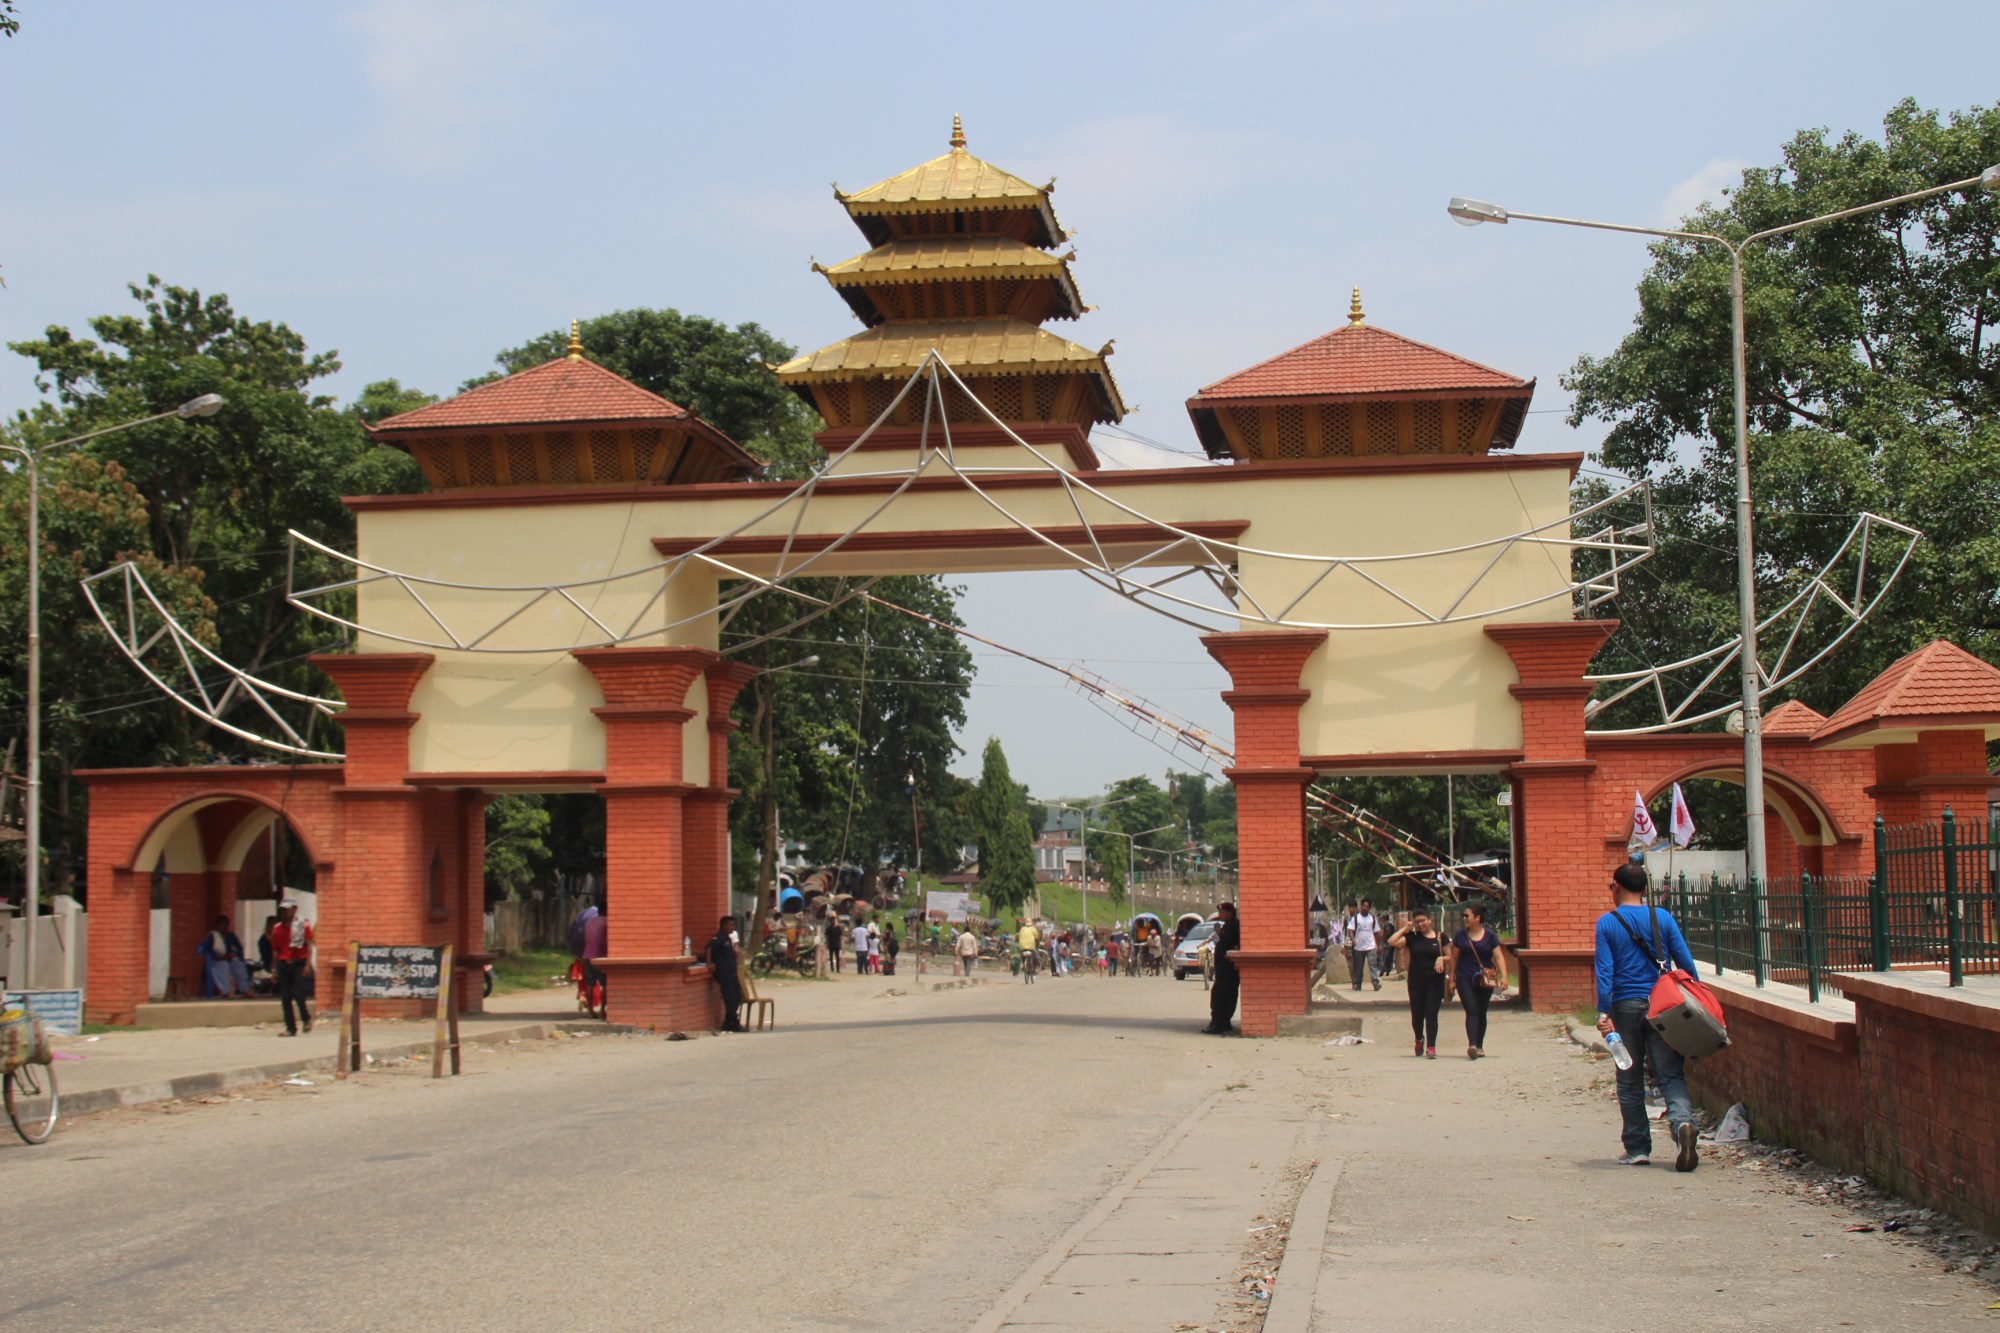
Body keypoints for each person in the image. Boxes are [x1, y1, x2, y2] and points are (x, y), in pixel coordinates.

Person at [1595, 862, 1701, 1170]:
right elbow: (1685, 962)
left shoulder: (1607, 923)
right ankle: (1682, 1124)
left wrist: (1603, 1010)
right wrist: (1694, 995)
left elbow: (1605, 970)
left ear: (1617, 887)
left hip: (1625, 1006)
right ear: (1644, 889)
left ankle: (1638, 1148)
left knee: (1629, 1079)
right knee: (1670, 1075)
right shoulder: (1662, 917)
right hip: (1663, 1006)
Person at [1445, 904, 1509, 1060]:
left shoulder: (1490, 936)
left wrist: (1504, 977)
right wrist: (1452, 979)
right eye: (1464, 916)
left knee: (1481, 1011)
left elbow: (1498, 956)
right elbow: (1454, 958)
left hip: (1485, 979)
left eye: (1467, 916)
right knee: (1472, 1009)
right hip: (1464, 977)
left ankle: (1479, 1045)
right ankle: (1472, 1045)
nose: (1464, 919)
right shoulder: (1460, 936)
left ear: (1477, 918)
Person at [1388, 909, 1446, 1058]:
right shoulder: (1412, 937)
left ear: (1430, 920)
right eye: (1417, 922)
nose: (1420, 924)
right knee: (1417, 1015)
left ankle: (1431, 1047)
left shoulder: (1440, 937)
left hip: (1435, 982)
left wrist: (1442, 959)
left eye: (1423, 921)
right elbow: (1392, 941)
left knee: (1431, 1013)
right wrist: (1405, 929)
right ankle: (1419, 1038)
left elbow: (1452, 956)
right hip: (1416, 982)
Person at [271, 901, 314, 1036]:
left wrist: (307, 964)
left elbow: (308, 945)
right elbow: (275, 950)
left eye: (287, 910)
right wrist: (274, 969)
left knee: (298, 993)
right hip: (283, 963)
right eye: (283, 910)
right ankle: (290, 1028)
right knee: (285, 997)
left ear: (294, 910)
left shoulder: (302, 925)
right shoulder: (277, 928)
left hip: (298, 962)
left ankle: (306, 1018)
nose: (285, 913)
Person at [1201, 902, 1241, 1034]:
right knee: (1222, 994)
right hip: (1224, 967)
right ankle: (1222, 1022)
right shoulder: (1228, 925)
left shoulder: (1234, 926)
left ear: (1229, 913)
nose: (1220, 915)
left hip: (1228, 968)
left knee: (1222, 995)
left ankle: (1219, 1023)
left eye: (1222, 912)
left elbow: (1230, 944)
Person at [198, 914, 253, 998]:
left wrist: (235, 955)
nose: (224, 926)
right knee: (224, 965)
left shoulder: (231, 936)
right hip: (216, 961)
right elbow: (204, 950)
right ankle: (226, 991)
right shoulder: (212, 936)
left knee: (239, 965)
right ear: (217, 925)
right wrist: (218, 956)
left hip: (229, 959)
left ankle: (244, 989)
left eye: (226, 924)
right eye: (222, 924)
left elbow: (239, 948)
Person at [709, 914, 744, 1033]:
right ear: (724, 926)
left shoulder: (727, 938)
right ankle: (733, 1022)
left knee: (738, 995)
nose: (733, 927)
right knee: (730, 998)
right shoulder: (718, 938)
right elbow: (709, 948)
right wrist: (709, 963)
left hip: (731, 971)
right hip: (724, 973)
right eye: (731, 925)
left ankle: (728, 1021)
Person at [1348, 899, 1381, 991]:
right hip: (1359, 947)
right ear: (1361, 906)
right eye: (1363, 906)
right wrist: (1353, 939)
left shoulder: (1372, 919)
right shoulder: (1356, 918)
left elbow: (1377, 932)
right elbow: (1350, 930)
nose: (1365, 908)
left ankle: (1375, 982)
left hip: (1370, 946)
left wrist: (1378, 945)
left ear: (1369, 908)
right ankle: (1358, 984)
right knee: (1359, 967)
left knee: (1373, 964)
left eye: (1367, 906)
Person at [1017, 918, 1039, 983]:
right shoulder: (1033, 929)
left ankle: (1024, 963)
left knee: (1022, 955)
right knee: (1035, 957)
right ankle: (1034, 969)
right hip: (1031, 947)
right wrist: (1037, 945)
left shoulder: (1022, 929)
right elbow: (1037, 939)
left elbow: (1019, 937)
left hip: (1022, 946)